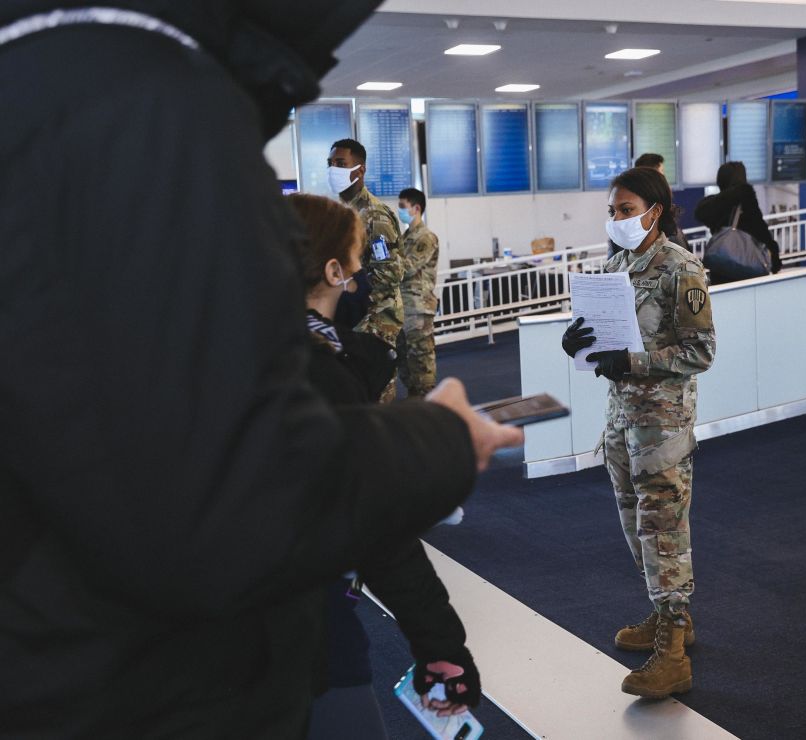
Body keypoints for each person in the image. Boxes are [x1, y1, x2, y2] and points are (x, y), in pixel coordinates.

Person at [0, 3, 522, 737]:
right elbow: (224, 494)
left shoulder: (60, 81)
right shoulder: (145, 98)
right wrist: (439, 440)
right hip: (132, 681)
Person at [287, 194, 479, 738]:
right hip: (305, 634)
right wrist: (442, 648)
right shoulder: (319, 373)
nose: (360, 280)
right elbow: (373, 520)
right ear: (332, 271)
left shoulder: (220, 349)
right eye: (355, 266)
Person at [561, 167, 715, 698]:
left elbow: (701, 351)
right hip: (622, 421)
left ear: (656, 209)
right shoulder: (615, 266)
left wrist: (633, 360)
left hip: (662, 426)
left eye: (626, 210)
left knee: (662, 527)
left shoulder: (680, 268)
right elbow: (608, 345)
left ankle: (672, 653)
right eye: (612, 211)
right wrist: (579, 343)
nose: (618, 219)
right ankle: (669, 614)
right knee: (636, 524)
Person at [328, 137, 406, 403]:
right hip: (355, 317)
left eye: (340, 163)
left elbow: (390, 273)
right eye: (330, 164)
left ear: (359, 170)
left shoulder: (374, 215)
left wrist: (354, 296)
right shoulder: (344, 211)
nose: (333, 169)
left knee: (376, 394)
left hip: (376, 319)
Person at [694, 161, 782, 273]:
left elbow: (700, 213)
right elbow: (760, 230)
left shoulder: (714, 204)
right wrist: (775, 258)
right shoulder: (746, 198)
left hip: (721, 265)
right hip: (747, 267)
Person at [396, 187, 441, 398]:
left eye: (403, 206)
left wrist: (388, 264)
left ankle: (429, 411)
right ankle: (416, 402)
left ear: (416, 208)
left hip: (418, 308)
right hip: (404, 307)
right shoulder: (405, 237)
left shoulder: (426, 237)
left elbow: (408, 268)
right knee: (405, 361)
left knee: (422, 362)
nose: (399, 210)